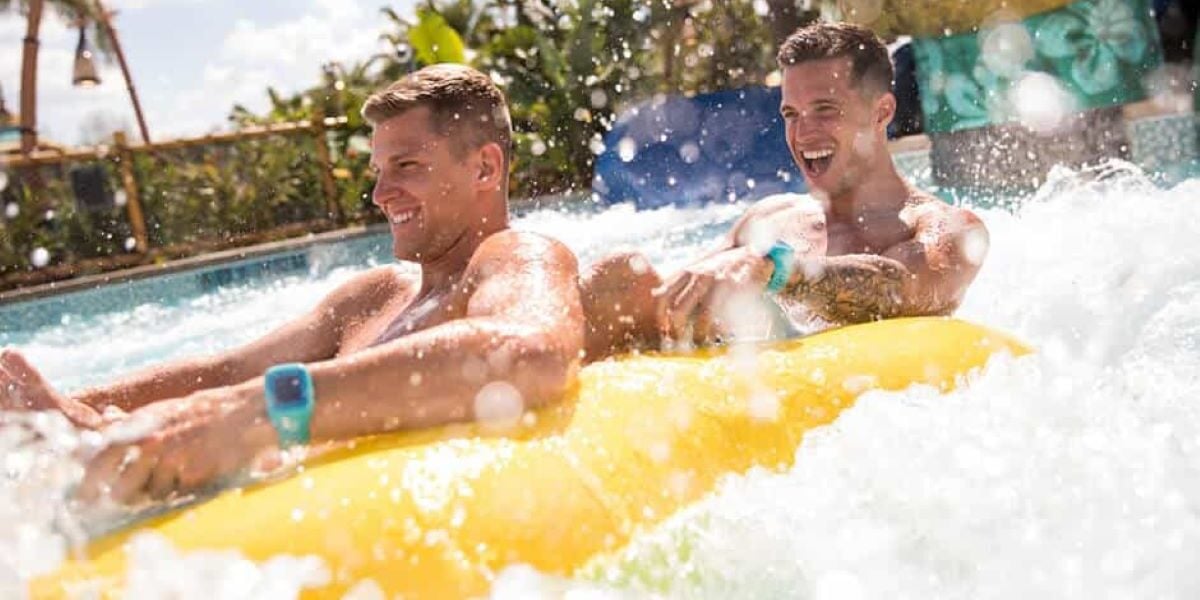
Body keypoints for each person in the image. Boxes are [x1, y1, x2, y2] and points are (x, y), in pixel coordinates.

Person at [0, 65, 586, 505]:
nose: (381, 195)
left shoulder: (516, 255)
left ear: (484, 167)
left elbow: (528, 352)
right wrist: (72, 408)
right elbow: (227, 371)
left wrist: (256, 412)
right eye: (379, 173)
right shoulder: (376, 294)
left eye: (407, 167)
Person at [582, 22, 989, 356]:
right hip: (755, 398)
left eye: (825, 110)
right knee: (618, 274)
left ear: (881, 111)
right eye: (791, 114)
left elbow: (902, 290)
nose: (803, 132)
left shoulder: (945, 228)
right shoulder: (770, 218)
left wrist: (773, 268)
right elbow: (680, 295)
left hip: (869, 412)